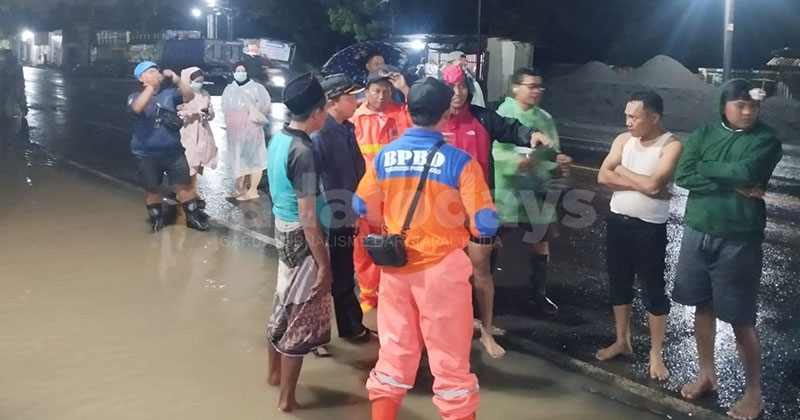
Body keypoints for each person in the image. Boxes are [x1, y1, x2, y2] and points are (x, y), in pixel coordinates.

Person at [355, 77, 497, 420]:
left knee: (394, 354)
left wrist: (392, 220)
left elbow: (362, 206)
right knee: (450, 364)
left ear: (407, 110)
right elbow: (486, 224)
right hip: (442, 273)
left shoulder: (387, 155)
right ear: (446, 113)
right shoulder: (459, 162)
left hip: (396, 268)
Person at [672, 79, 782, 420]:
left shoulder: (766, 140)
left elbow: (747, 170)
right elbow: (683, 175)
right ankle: (707, 373)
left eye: (753, 106)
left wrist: (709, 169)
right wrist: (735, 187)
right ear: (724, 106)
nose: (748, 112)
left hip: (738, 239)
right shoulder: (704, 133)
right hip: (697, 231)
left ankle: (754, 393)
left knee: (740, 318)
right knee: (702, 308)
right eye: (740, 105)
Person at [440, 64, 554, 358]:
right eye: (451, 87)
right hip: (439, 213)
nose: (457, 93)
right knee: (443, 276)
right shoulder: (432, 122)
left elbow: (509, 128)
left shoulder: (482, 118)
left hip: (477, 209)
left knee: (482, 273)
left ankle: (487, 333)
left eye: (462, 86)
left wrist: (531, 134)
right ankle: (447, 330)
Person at [595, 91, 683, 381]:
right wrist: (641, 185)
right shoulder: (622, 140)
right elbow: (602, 177)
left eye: (634, 116)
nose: (628, 122)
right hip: (617, 222)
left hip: (649, 228)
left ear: (654, 118)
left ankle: (656, 354)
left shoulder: (670, 146)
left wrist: (620, 169)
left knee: (653, 291)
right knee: (619, 284)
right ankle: (622, 340)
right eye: (626, 116)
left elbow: (655, 183)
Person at [265, 73, 332, 412]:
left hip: (282, 230)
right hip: (301, 237)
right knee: (300, 321)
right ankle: (286, 400)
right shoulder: (304, 150)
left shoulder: (279, 139)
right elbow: (308, 216)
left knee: (282, 304)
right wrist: (325, 266)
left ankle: (273, 376)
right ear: (318, 111)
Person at [492, 67, 572, 315]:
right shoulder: (501, 114)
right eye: (531, 86)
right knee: (491, 241)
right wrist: (513, 162)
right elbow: (491, 150)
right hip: (505, 189)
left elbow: (552, 151)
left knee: (540, 241)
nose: (536, 91)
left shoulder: (544, 119)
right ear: (515, 87)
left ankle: (537, 294)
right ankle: (484, 291)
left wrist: (557, 162)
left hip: (535, 189)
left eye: (539, 87)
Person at [311, 73, 375, 354]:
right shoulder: (319, 135)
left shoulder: (347, 129)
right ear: (332, 102)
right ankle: (314, 338)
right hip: (328, 218)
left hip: (347, 213)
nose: (357, 101)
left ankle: (351, 326)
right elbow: (313, 186)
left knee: (345, 273)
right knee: (321, 277)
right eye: (351, 97)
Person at [350, 65, 412, 313]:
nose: (381, 96)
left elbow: (423, 115)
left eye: (387, 91)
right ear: (366, 91)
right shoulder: (355, 119)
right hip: (365, 196)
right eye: (376, 91)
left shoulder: (401, 113)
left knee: (396, 245)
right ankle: (368, 294)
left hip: (397, 197)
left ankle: (391, 292)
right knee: (364, 247)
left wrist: (405, 89)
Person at [127, 61, 208, 232]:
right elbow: (137, 108)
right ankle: (157, 219)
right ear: (141, 78)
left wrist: (177, 79)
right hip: (146, 154)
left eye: (157, 70)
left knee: (183, 187)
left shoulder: (169, 94)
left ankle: (193, 218)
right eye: (150, 71)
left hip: (173, 152)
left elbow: (189, 96)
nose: (156, 73)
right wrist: (151, 87)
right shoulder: (135, 96)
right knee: (152, 189)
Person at [221, 62, 271, 201]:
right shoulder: (230, 89)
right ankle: (240, 188)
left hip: (251, 130)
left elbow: (265, 106)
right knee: (238, 159)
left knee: (254, 160)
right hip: (234, 132)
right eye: (237, 70)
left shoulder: (256, 88)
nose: (240, 72)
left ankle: (253, 190)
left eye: (243, 70)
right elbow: (225, 107)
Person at [178, 67, 219, 208]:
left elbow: (211, 113)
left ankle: (192, 191)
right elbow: (178, 112)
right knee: (189, 162)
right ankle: (184, 191)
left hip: (202, 130)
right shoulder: (182, 95)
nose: (199, 84)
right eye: (196, 81)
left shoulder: (205, 94)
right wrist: (191, 112)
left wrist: (208, 113)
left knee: (198, 163)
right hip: (188, 131)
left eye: (201, 81)